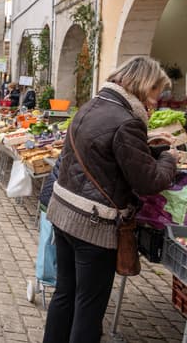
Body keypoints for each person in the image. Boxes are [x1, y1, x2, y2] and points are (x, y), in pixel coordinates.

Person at [43, 56, 178, 343]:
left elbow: (104, 156)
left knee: (65, 294)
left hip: (63, 212)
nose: (157, 101)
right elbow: (149, 182)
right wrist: (169, 157)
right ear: (143, 85)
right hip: (93, 225)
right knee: (89, 309)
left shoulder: (92, 106)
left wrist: (148, 147)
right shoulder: (127, 121)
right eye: (157, 92)